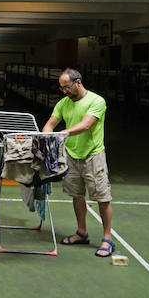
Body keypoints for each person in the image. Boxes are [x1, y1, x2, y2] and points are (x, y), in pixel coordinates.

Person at [42, 68, 115, 258]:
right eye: (61, 88)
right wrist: (46, 136)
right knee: (77, 195)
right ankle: (81, 232)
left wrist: (60, 134)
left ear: (78, 82)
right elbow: (50, 123)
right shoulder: (63, 103)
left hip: (93, 155)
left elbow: (85, 125)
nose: (64, 91)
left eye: (66, 87)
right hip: (71, 155)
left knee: (102, 196)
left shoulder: (96, 101)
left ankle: (107, 238)